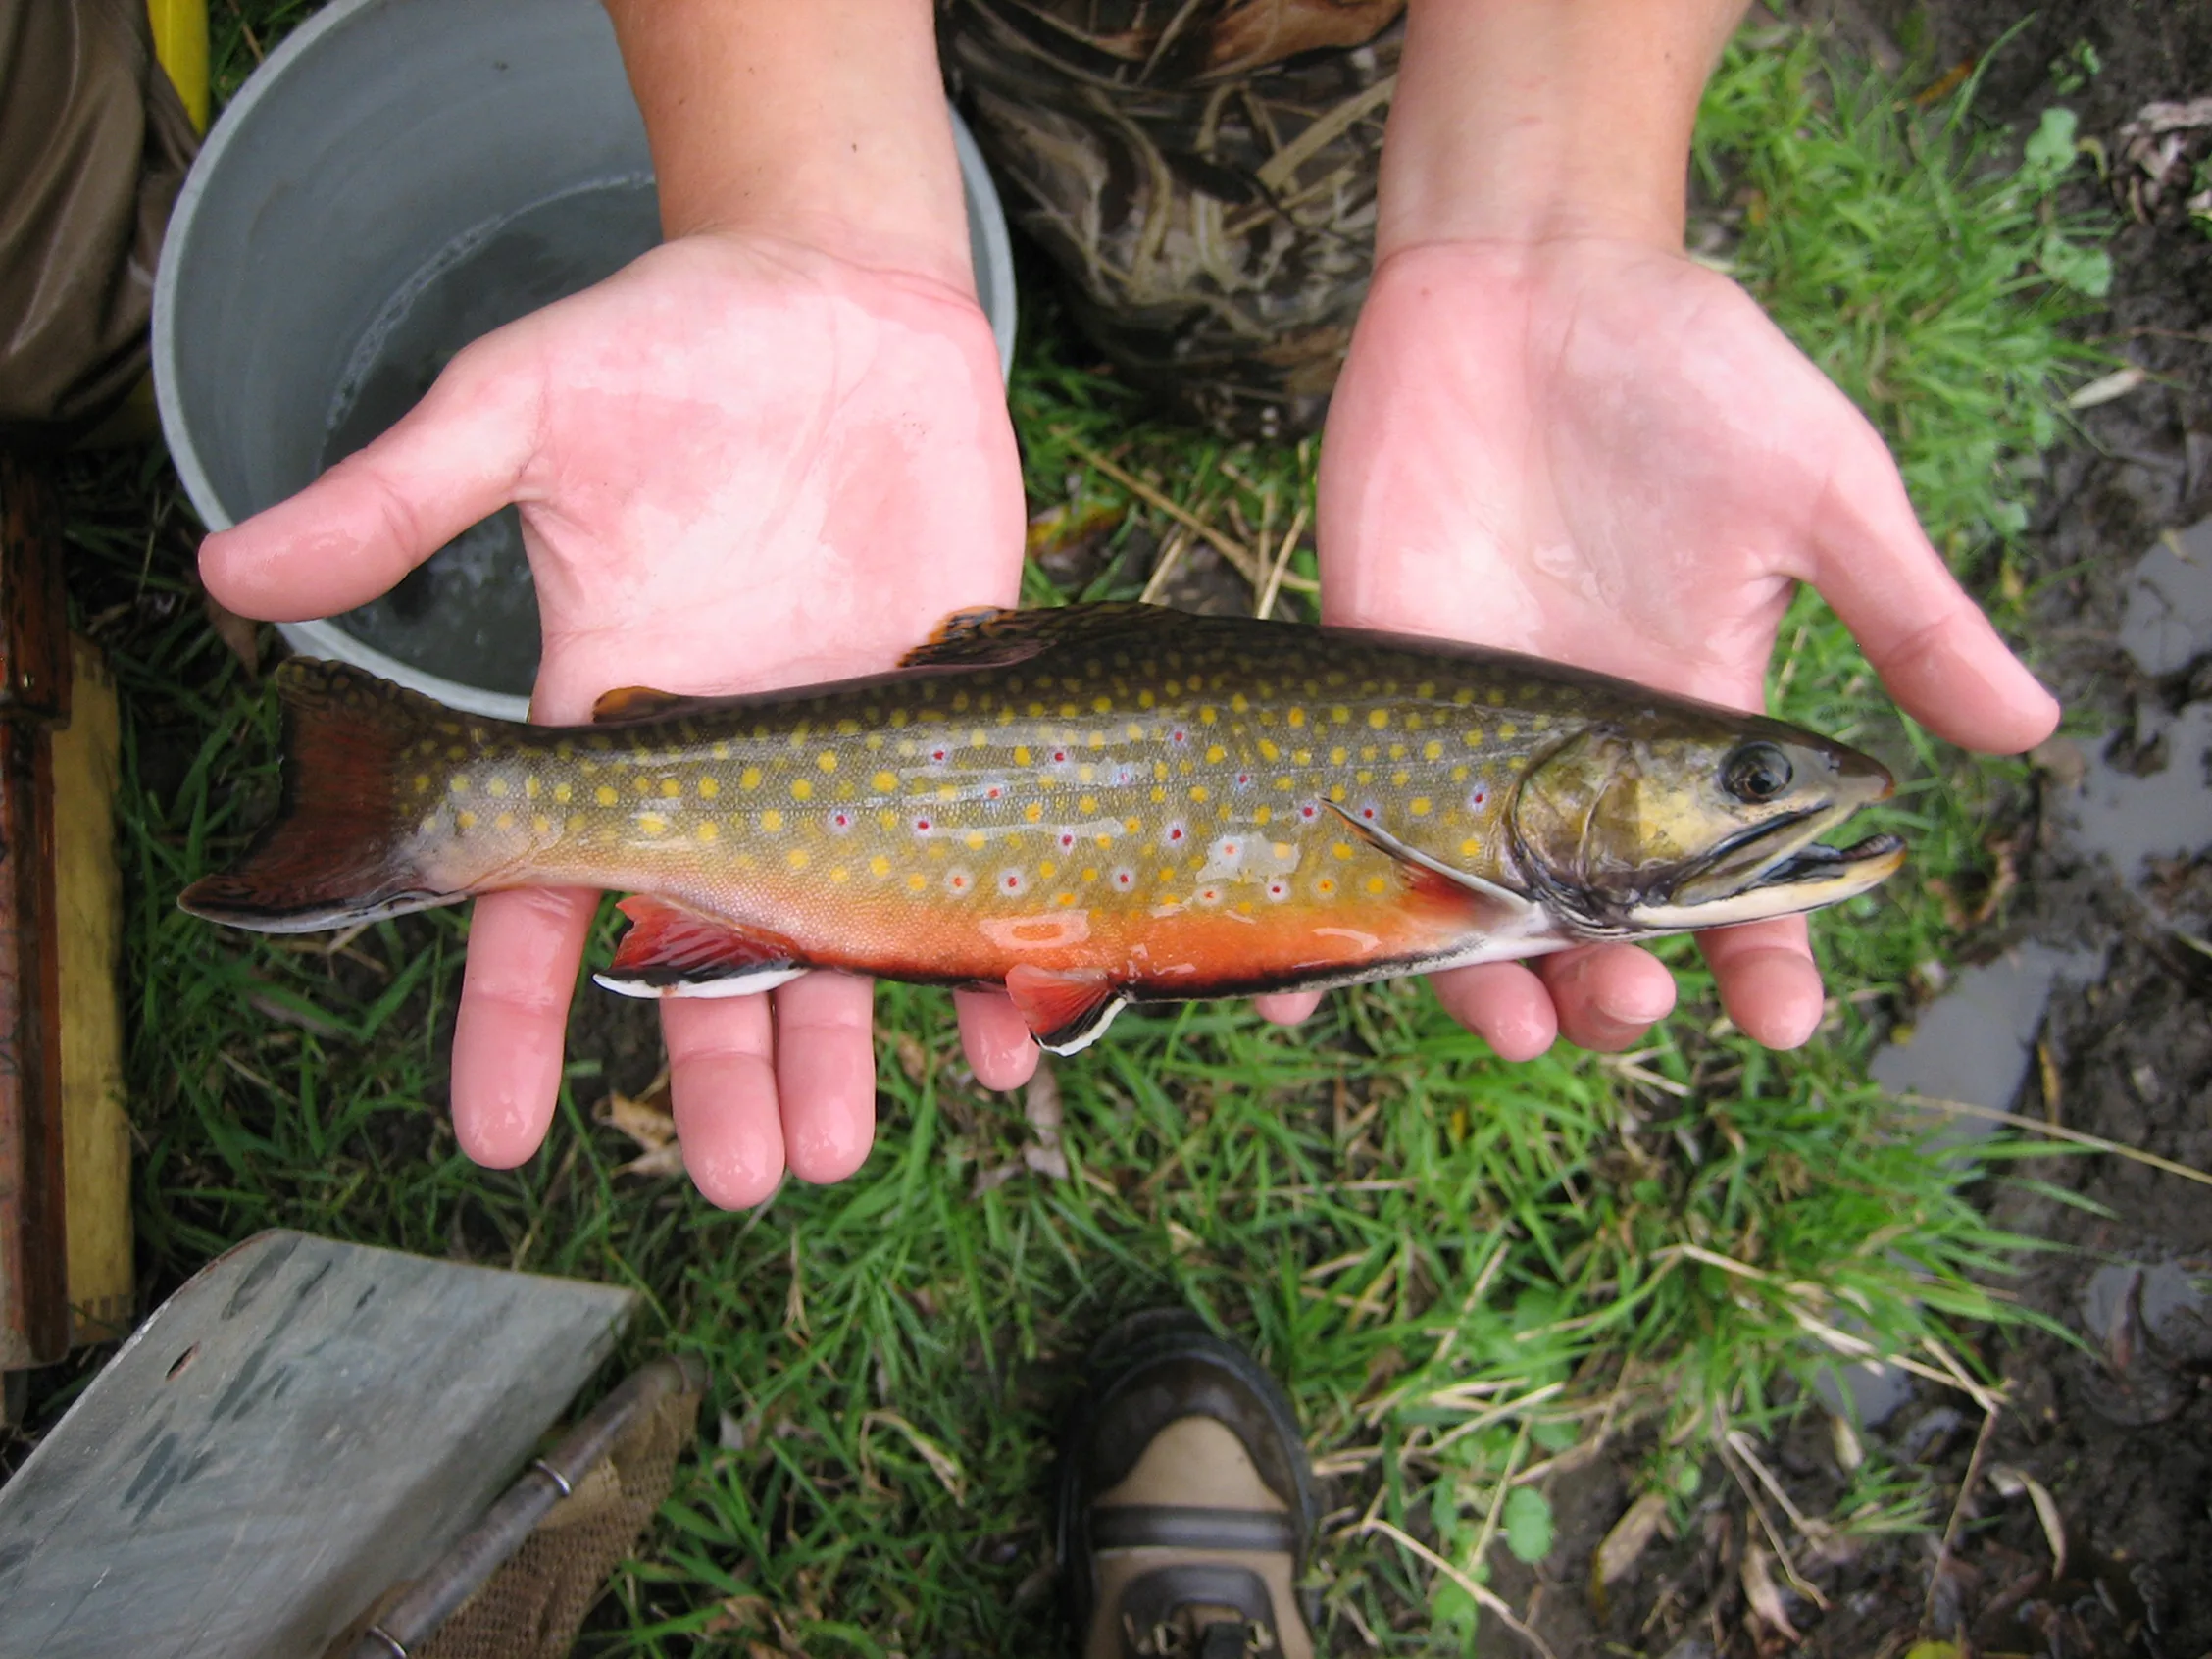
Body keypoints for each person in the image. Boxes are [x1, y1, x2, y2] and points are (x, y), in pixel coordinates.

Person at [199, 1, 2055, 1213]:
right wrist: (790, 175)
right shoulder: (1483, 847)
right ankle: (439, 801)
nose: (1773, 800)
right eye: (1740, 785)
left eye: (1736, 785)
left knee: (1238, 307)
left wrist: (1559, 202)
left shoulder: (1503, 827)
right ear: (1598, 774)